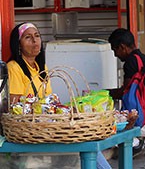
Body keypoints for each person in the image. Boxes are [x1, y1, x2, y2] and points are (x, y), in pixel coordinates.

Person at [7, 22, 113, 169]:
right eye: (28, 37)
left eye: (37, 36)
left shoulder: (41, 67)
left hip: (45, 126)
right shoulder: (14, 68)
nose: (34, 40)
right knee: (83, 145)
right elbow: (14, 103)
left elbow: (48, 100)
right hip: (30, 130)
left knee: (84, 142)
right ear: (18, 44)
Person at [108, 28, 145, 157]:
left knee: (111, 131)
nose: (115, 55)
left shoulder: (131, 62)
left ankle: (136, 144)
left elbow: (125, 92)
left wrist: (106, 93)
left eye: (115, 50)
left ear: (122, 47)